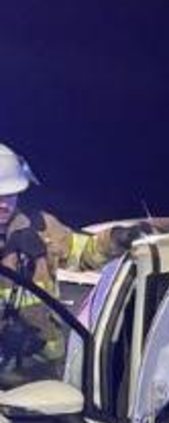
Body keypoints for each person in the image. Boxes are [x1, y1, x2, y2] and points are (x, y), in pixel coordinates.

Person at [0, 144, 150, 384]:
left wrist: (115, 239)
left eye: (10, 195)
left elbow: (82, 253)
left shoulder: (41, 226)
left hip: (43, 366)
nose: (4, 204)